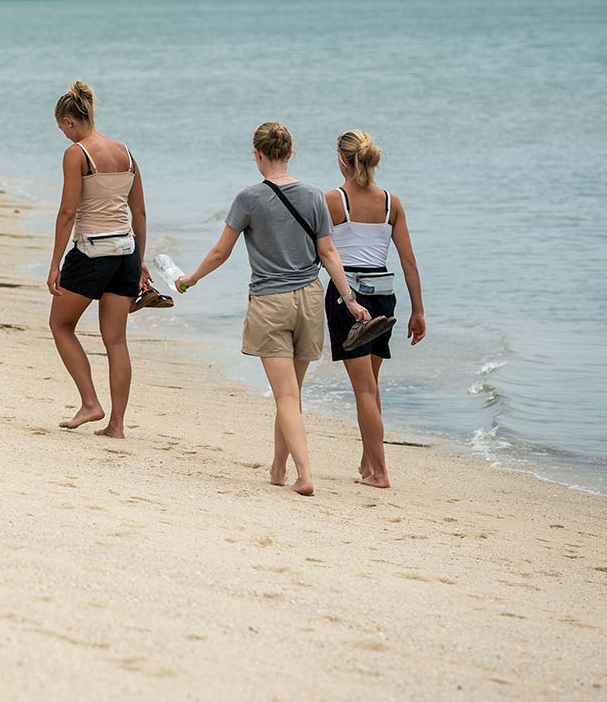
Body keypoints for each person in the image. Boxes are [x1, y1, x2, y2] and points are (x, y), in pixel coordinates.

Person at [174, 122, 370, 496]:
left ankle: (305, 475)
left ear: (258, 155)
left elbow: (220, 251)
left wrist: (192, 278)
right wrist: (350, 299)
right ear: (290, 153)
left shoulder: (248, 198)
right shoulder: (314, 195)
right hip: (309, 300)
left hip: (270, 303)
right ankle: (279, 469)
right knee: (292, 393)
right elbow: (329, 253)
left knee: (285, 397)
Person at [45, 78, 152, 438]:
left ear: (69, 121)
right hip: (126, 254)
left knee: (60, 325)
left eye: (62, 128)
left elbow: (67, 212)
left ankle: (90, 402)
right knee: (116, 340)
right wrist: (141, 259)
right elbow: (139, 212)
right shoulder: (126, 152)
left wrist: (55, 263)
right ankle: (116, 425)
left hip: (92, 253)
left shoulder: (77, 154)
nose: (64, 135)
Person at [325, 129, 428, 488]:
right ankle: (369, 461)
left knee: (364, 389)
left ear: (342, 160)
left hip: (349, 297)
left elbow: (319, 252)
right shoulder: (390, 203)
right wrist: (418, 311)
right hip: (384, 295)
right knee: (371, 385)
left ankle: (380, 473)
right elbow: (409, 261)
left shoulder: (334, 200)